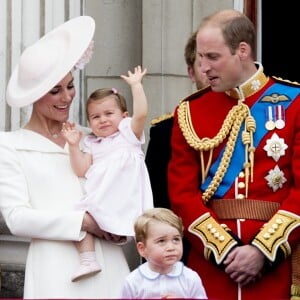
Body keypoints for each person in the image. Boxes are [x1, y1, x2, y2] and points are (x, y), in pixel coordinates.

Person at [168, 9, 300, 300]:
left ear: (242, 51)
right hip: (212, 268)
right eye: (200, 58)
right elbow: (182, 194)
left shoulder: (294, 102)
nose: (203, 68)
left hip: (276, 264)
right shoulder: (190, 112)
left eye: (212, 57)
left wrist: (262, 251)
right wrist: (225, 250)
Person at [0, 16, 131, 299]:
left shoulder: (91, 137)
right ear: (34, 94)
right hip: (54, 268)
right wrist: (82, 223)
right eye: (55, 90)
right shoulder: (9, 146)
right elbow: (16, 218)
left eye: (70, 86)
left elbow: (120, 188)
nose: (67, 97)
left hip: (109, 262)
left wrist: (122, 225)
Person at [61, 65, 153, 282]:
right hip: (101, 201)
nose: (102, 120)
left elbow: (142, 114)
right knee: (78, 217)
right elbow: (81, 169)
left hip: (123, 200)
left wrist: (136, 86)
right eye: (95, 117)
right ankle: (88, 258)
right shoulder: (93, 143)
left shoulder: (128, 134)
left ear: (124, 116)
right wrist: (74, 146)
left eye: (108, 114)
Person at [145, 31, 209, 264]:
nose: (211, 70)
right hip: (184, 254)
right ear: (191, 72)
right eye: (202, 64)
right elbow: (156, 207)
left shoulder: (251, 125)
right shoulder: (165, 131)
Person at [120, 207, 208, 299]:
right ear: (142, 249)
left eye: (176, 239)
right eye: (161, 241)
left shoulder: (190, 278)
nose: (171, 247)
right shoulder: (133, 282)